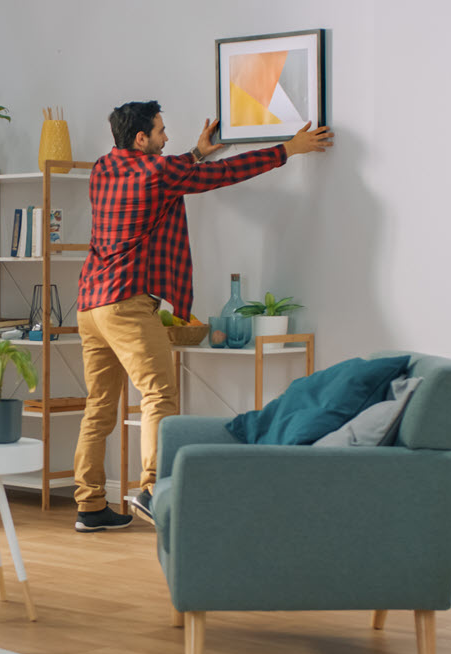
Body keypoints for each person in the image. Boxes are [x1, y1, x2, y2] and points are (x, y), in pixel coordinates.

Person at [72, 101, 332, 532]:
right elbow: (224, 175)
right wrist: (290, 147)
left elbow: (172, 170)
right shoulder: (158, 174)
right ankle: (153, 491)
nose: (166, 137)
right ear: (142, 140)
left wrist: (195, 152)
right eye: (160, 131)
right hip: (126, 304)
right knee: (158, 395)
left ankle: (89, 504)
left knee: (99, 405)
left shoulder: (103, 168)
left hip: (90, 304)